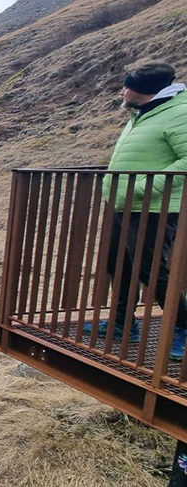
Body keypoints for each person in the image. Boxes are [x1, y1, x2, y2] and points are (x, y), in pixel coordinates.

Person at [87, 63, 187, 361]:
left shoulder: (178, 113)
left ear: (144, 91)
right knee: (119, 264)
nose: (122, 91)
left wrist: (143, 187)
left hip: (155, 208)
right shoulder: (144, 112)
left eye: (126, 86)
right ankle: (121, 324)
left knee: (151, 269)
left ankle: (183, 327)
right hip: (126, 204)